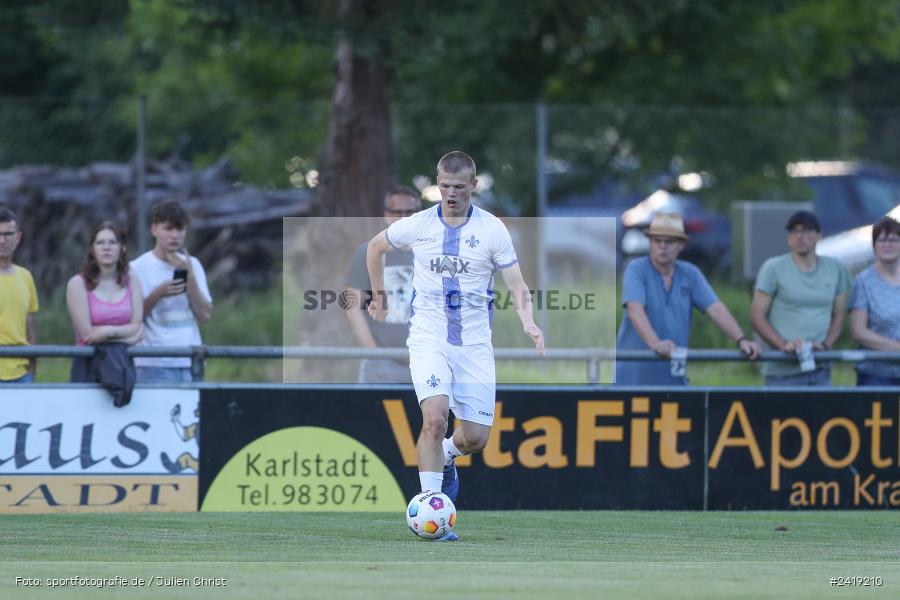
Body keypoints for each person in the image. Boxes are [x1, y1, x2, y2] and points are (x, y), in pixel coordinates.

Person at [366, 151, 544, 541]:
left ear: (473, 186)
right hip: (428, 336)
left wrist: (529, 321)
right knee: (435, 416)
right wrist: (378, 295)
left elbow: (516, 283)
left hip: (475, 344)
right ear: (437, 183)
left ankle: (447, 456)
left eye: (459, 187)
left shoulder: (493, 229)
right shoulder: (419, 224)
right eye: (444, 186)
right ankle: (432, 506)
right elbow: (375, 247)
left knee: (475, 438)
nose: (450, 194)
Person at [615, 212, 760, 385]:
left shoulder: (689, 273)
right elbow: (634, 310)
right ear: (650, 242)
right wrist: (655, 343)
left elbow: (715, 308)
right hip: (634, 378)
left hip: (672, 376)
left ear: (681, 245)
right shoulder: (636, 269)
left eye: (669, 241)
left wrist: (741, 340)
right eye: (657, 240)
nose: (662, 246)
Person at [750, 210, 850, 386]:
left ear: (818, 236)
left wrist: (826, 345)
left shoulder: (836, 268)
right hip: (782, 372)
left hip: (820, 369)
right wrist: (783, 344)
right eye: (794, 231)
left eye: (806, 230)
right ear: (789, 238)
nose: (799, 236)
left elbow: (839, 315)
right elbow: (757, 317)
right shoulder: (773, 267)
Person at [130, 200, 213, 383]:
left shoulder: (194, 265)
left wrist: (188, 275)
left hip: (191, 361)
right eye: (168, 229)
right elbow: (131, 318)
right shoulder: (137, 268)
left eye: (180, 229)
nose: (175, 235)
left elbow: (205, 316)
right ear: (154, 230)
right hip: (152, 363)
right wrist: (157, 294)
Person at [345, 186, 421, 383]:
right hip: (382, 365)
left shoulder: (432, 253)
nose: (403, 217)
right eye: (396, 211)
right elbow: (352, 306)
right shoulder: (368, 252)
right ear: (386, 214)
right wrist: (373, 352)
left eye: (409, 212)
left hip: (427, 362)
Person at [66, 222, 144, 382]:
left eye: (112, 242)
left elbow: (138, 325)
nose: (106, 247)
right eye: (100, 242)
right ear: (92, 250)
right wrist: (128, 338)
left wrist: (108, 332)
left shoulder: (133, 279)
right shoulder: (77, 283)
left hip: (121, 363)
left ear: (122, 248)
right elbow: (88, 335)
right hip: (88, 365)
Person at [849, 216, 900, 386]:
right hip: (876, 375)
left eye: (893, 240)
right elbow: (859, 331)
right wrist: (895, 347)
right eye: (882, 240)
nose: (887, 245)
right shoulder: (863, 282)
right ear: (874, 245)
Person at [0, 207, 38, 384]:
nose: (2, 240)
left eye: (8, 234)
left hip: (21, 375)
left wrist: (31, 370)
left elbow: (30, 328)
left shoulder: (25, 276)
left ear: (18, 238)